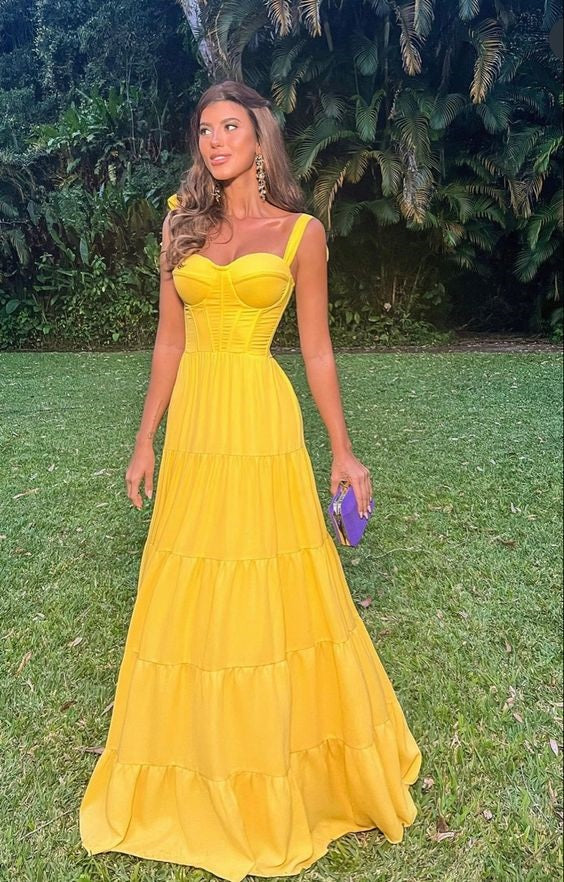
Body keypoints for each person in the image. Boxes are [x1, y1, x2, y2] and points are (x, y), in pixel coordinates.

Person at [79, 79, 422, 881]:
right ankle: (192, 753)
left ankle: (284, 757)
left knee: (271, 581)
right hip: (198, 425)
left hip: (262, 423)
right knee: (191, 577)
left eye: (229, 126)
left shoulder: (301, 233)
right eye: (204, 128)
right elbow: (169, 342)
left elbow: (318, 350)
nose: (214, 140)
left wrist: (344, 452)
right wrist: (145, 438)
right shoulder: (181, 226)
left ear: (260, 138)